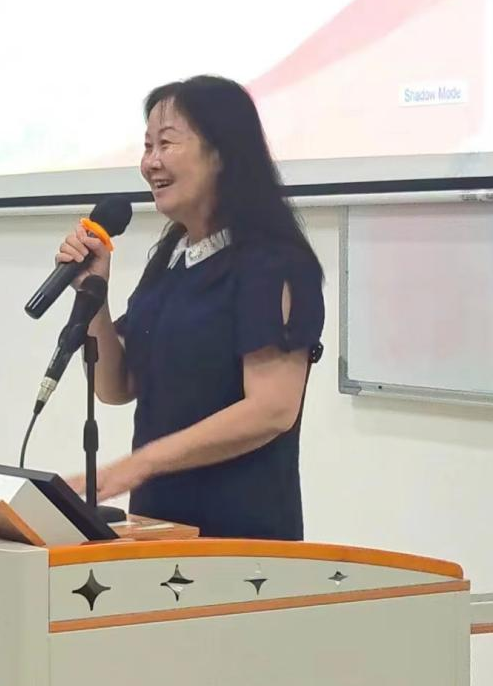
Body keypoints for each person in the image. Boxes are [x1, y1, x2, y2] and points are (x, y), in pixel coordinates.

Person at [58, 75, 325, 540]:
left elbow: (272, 409)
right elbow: (116, 386)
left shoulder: (272, 263)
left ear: (222, 153)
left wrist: (136, 465)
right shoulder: (173, 257)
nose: (150, 162)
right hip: (159, 527)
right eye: (147, 146)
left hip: (241, 540)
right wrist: (93, 293)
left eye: (166, 143)